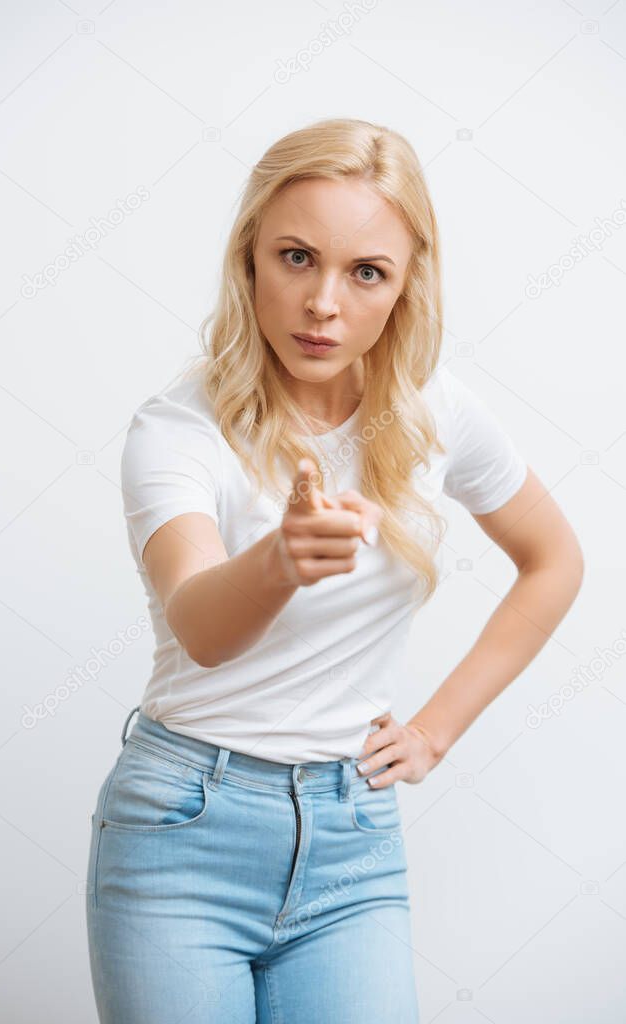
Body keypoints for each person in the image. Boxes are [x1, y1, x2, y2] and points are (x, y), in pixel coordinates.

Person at [85, 117, 583, 1023]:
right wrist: (278, 561)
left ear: (403, 288)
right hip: (181, 834)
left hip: (353, 840)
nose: (323, 304)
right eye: (296, 257)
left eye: (365, 273)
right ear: (248, 260)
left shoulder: (436, 413)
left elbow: (552, 560)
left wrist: (435, 730)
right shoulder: (178, 428)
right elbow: (200, 624)